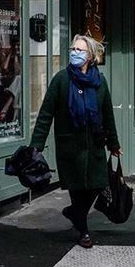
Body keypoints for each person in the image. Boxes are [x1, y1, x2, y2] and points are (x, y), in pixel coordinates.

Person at [30, 34, 122, 248]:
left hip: (96, 145)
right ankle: (83, 231)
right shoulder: (61, 79)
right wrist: (36, 146)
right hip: (70, 148)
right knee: (77, 189)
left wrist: (114, 144)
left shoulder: (100, 81)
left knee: (98, 184)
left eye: (80, 50)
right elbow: (46, 114)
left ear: (90, 56)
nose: (74, 53)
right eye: (73, 49)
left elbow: (107, 114)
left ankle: (74, 214)